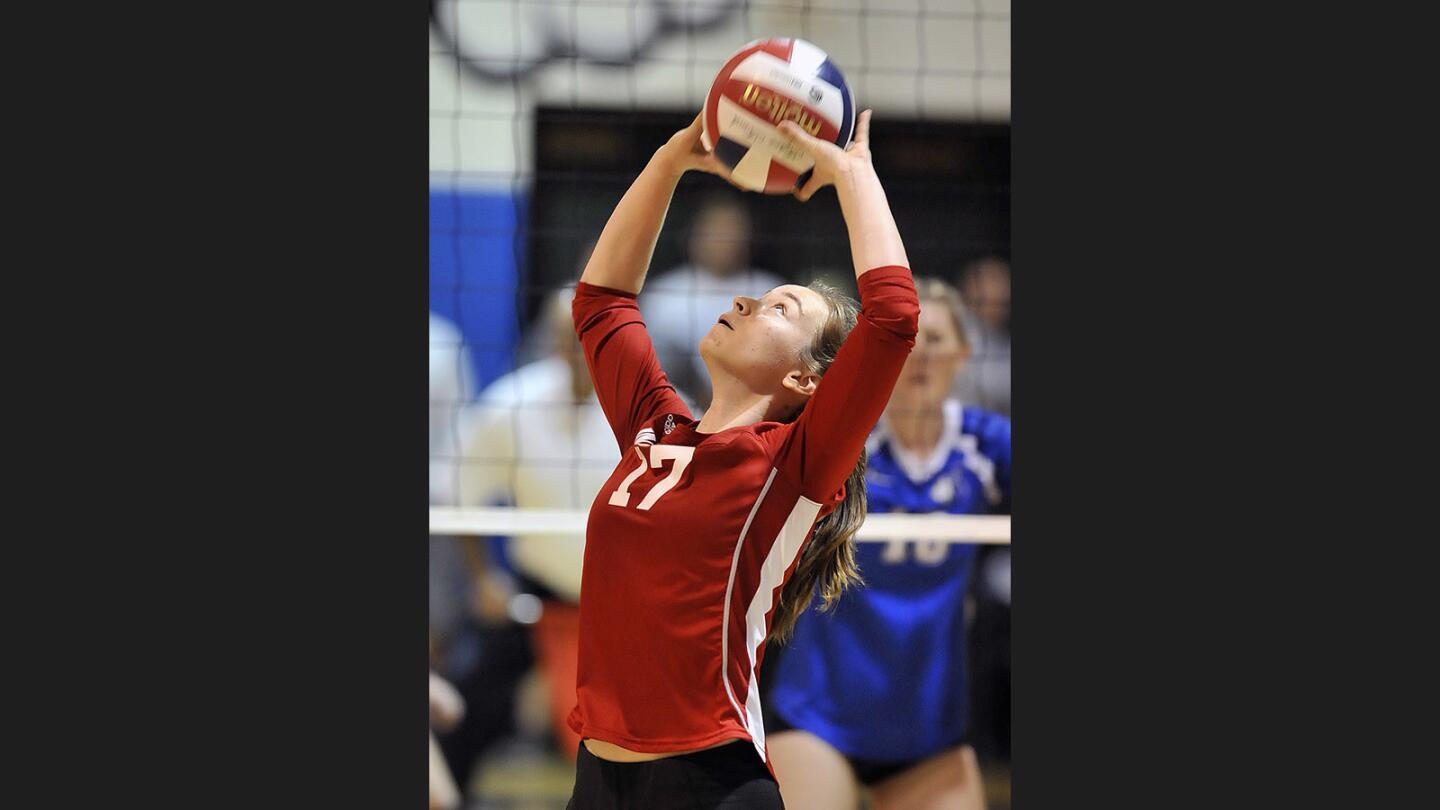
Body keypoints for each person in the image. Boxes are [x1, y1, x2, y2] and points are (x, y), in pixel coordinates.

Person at [564, 108, 919, 809]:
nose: (746, 299)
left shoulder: (789, 465)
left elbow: (894, 320)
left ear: (805, 381)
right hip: (598, 780)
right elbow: (602, 303)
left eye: (780, 309)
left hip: (710, 783)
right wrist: (669, 161)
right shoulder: (656, 429)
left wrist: (853, 175)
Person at [764, 278, 1012, 810]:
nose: (921, 357)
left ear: (963, 354)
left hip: (926, 724)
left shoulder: (986, 446)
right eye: (912, 341)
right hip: (821, 710)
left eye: (938, 341)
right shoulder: (846, 441)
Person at [457, 282, 622, 762]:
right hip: (539, 590)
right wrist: (485, 578)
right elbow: (462, 500)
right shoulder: (510, 404)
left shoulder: (651, 407)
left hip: (623, 597)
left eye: (588, 332)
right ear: (551, 338)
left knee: (629, 725)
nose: (576, 345)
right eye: (566, 334)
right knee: (471, 696)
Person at [640, 192, 784, 406]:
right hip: (676, 409)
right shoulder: (661, 294)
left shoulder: (771, 290)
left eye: (732, 229)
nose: (724, 239)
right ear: (695, 235)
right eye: (716, 229)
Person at [950, 256, 1011, 416]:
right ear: (969, 288)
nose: (1001, 292)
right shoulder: (957, 326)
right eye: (991, 280)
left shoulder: (1001, 341)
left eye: (1002, 281)